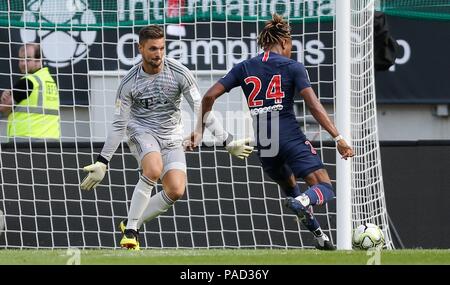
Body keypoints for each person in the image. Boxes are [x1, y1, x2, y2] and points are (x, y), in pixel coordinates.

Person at [186, 14, 354, 250]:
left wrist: (198, 131)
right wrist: (338, 137)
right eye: (291, 45)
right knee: (324, 187)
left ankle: (319, 237)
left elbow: (209, 96)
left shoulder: (244, 67)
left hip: (265, 145)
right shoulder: (293, 67)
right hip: (289, 137)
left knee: (292, 192)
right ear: (284, 42)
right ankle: (304, 200)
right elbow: (314, 106)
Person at [80, 25, 253, 250]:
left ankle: (130, 222)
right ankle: (131, 232)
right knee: (152, 169)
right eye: (152, 48)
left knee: (176, 189)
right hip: (141, 131)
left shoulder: (179, 72)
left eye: (162, 48)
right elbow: (119, 124)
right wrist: (103, 161)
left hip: (171, 135)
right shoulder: (129, 82)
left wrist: (226, 140)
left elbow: (201, 108)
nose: (158, 53)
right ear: (140, 48)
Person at [0, 43, 60, 139]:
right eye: (21, 59)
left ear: (39, 60)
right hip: (52, 141)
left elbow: (3, 109)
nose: (23, 63)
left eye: (28, 59)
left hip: (26, 140)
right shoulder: (50, 81)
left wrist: (3, 98)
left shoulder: (27, 82)